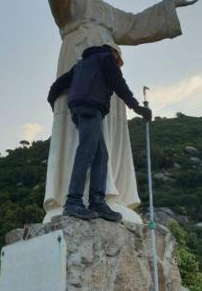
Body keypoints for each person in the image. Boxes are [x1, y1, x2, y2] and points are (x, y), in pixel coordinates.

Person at [42, 0, 198, 223]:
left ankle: (105, 195)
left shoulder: (108, 12)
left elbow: (137, 25)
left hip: (107, 80)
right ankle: (74, 198)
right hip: (79, 66)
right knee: (82, 136)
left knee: (105, 135)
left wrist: (171, 7)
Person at [48, 44, 151, 221]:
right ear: (114, 54)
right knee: (86, 152)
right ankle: (73, 201)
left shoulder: (81, 64)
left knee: (101, 155)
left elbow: (58, 85)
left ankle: (97, 201)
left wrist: (52, 102)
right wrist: (138, 108)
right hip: (91, 107)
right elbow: (120, 85)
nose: (118, 65)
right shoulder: (106, 59)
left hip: (79, 108)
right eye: (118, 61)